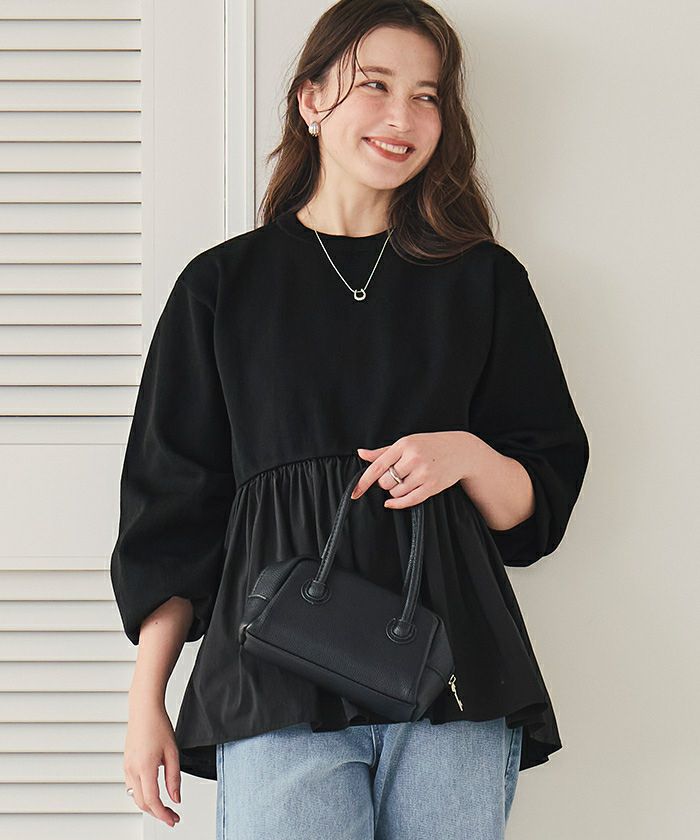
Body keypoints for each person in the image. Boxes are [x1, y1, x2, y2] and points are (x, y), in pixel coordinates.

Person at [110, 1, 590, 838]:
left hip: (452, 683)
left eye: (427, 96)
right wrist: (145, 700)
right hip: (272, 686)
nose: (403, 116)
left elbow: (534, 509)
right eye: (375, 85)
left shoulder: (484, 282)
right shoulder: (222, 288)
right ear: (310, 100)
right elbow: (171, 516)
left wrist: (466, 455)